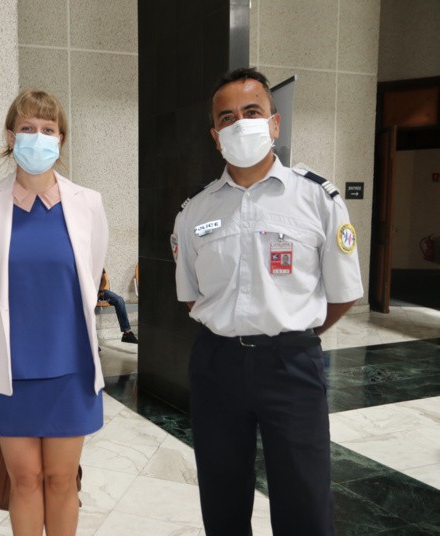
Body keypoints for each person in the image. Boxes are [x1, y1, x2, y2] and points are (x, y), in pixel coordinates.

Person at [172, 67, 363, 535]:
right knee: (222, 498)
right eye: (227, 118)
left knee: (305, 500)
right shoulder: (194, 211)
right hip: (216, 366)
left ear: (275, 124)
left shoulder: (317, 199)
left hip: (290, 365)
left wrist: (292, 331)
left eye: (252, 112)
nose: (240, 124)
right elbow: (192, 297)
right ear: (215, 137)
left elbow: (342, 293)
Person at [0, 89, 108, 536]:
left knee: (62, 480)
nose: (38, 137)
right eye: (27, 128)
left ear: (60, 139)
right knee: (24, 480)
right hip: (12, 370)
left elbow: (89, 281)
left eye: (48, 129)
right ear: (10, 136)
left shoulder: (88, 204)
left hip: (70, 368)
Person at [98, 269, 138, 343]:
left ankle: (127, 334)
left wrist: (101, 290)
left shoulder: (97, 263)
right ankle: (92, 339)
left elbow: (103, 279)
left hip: (100, 290)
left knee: (119, 300)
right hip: (86, 291)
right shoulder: (82, 265)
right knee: (88, 305)